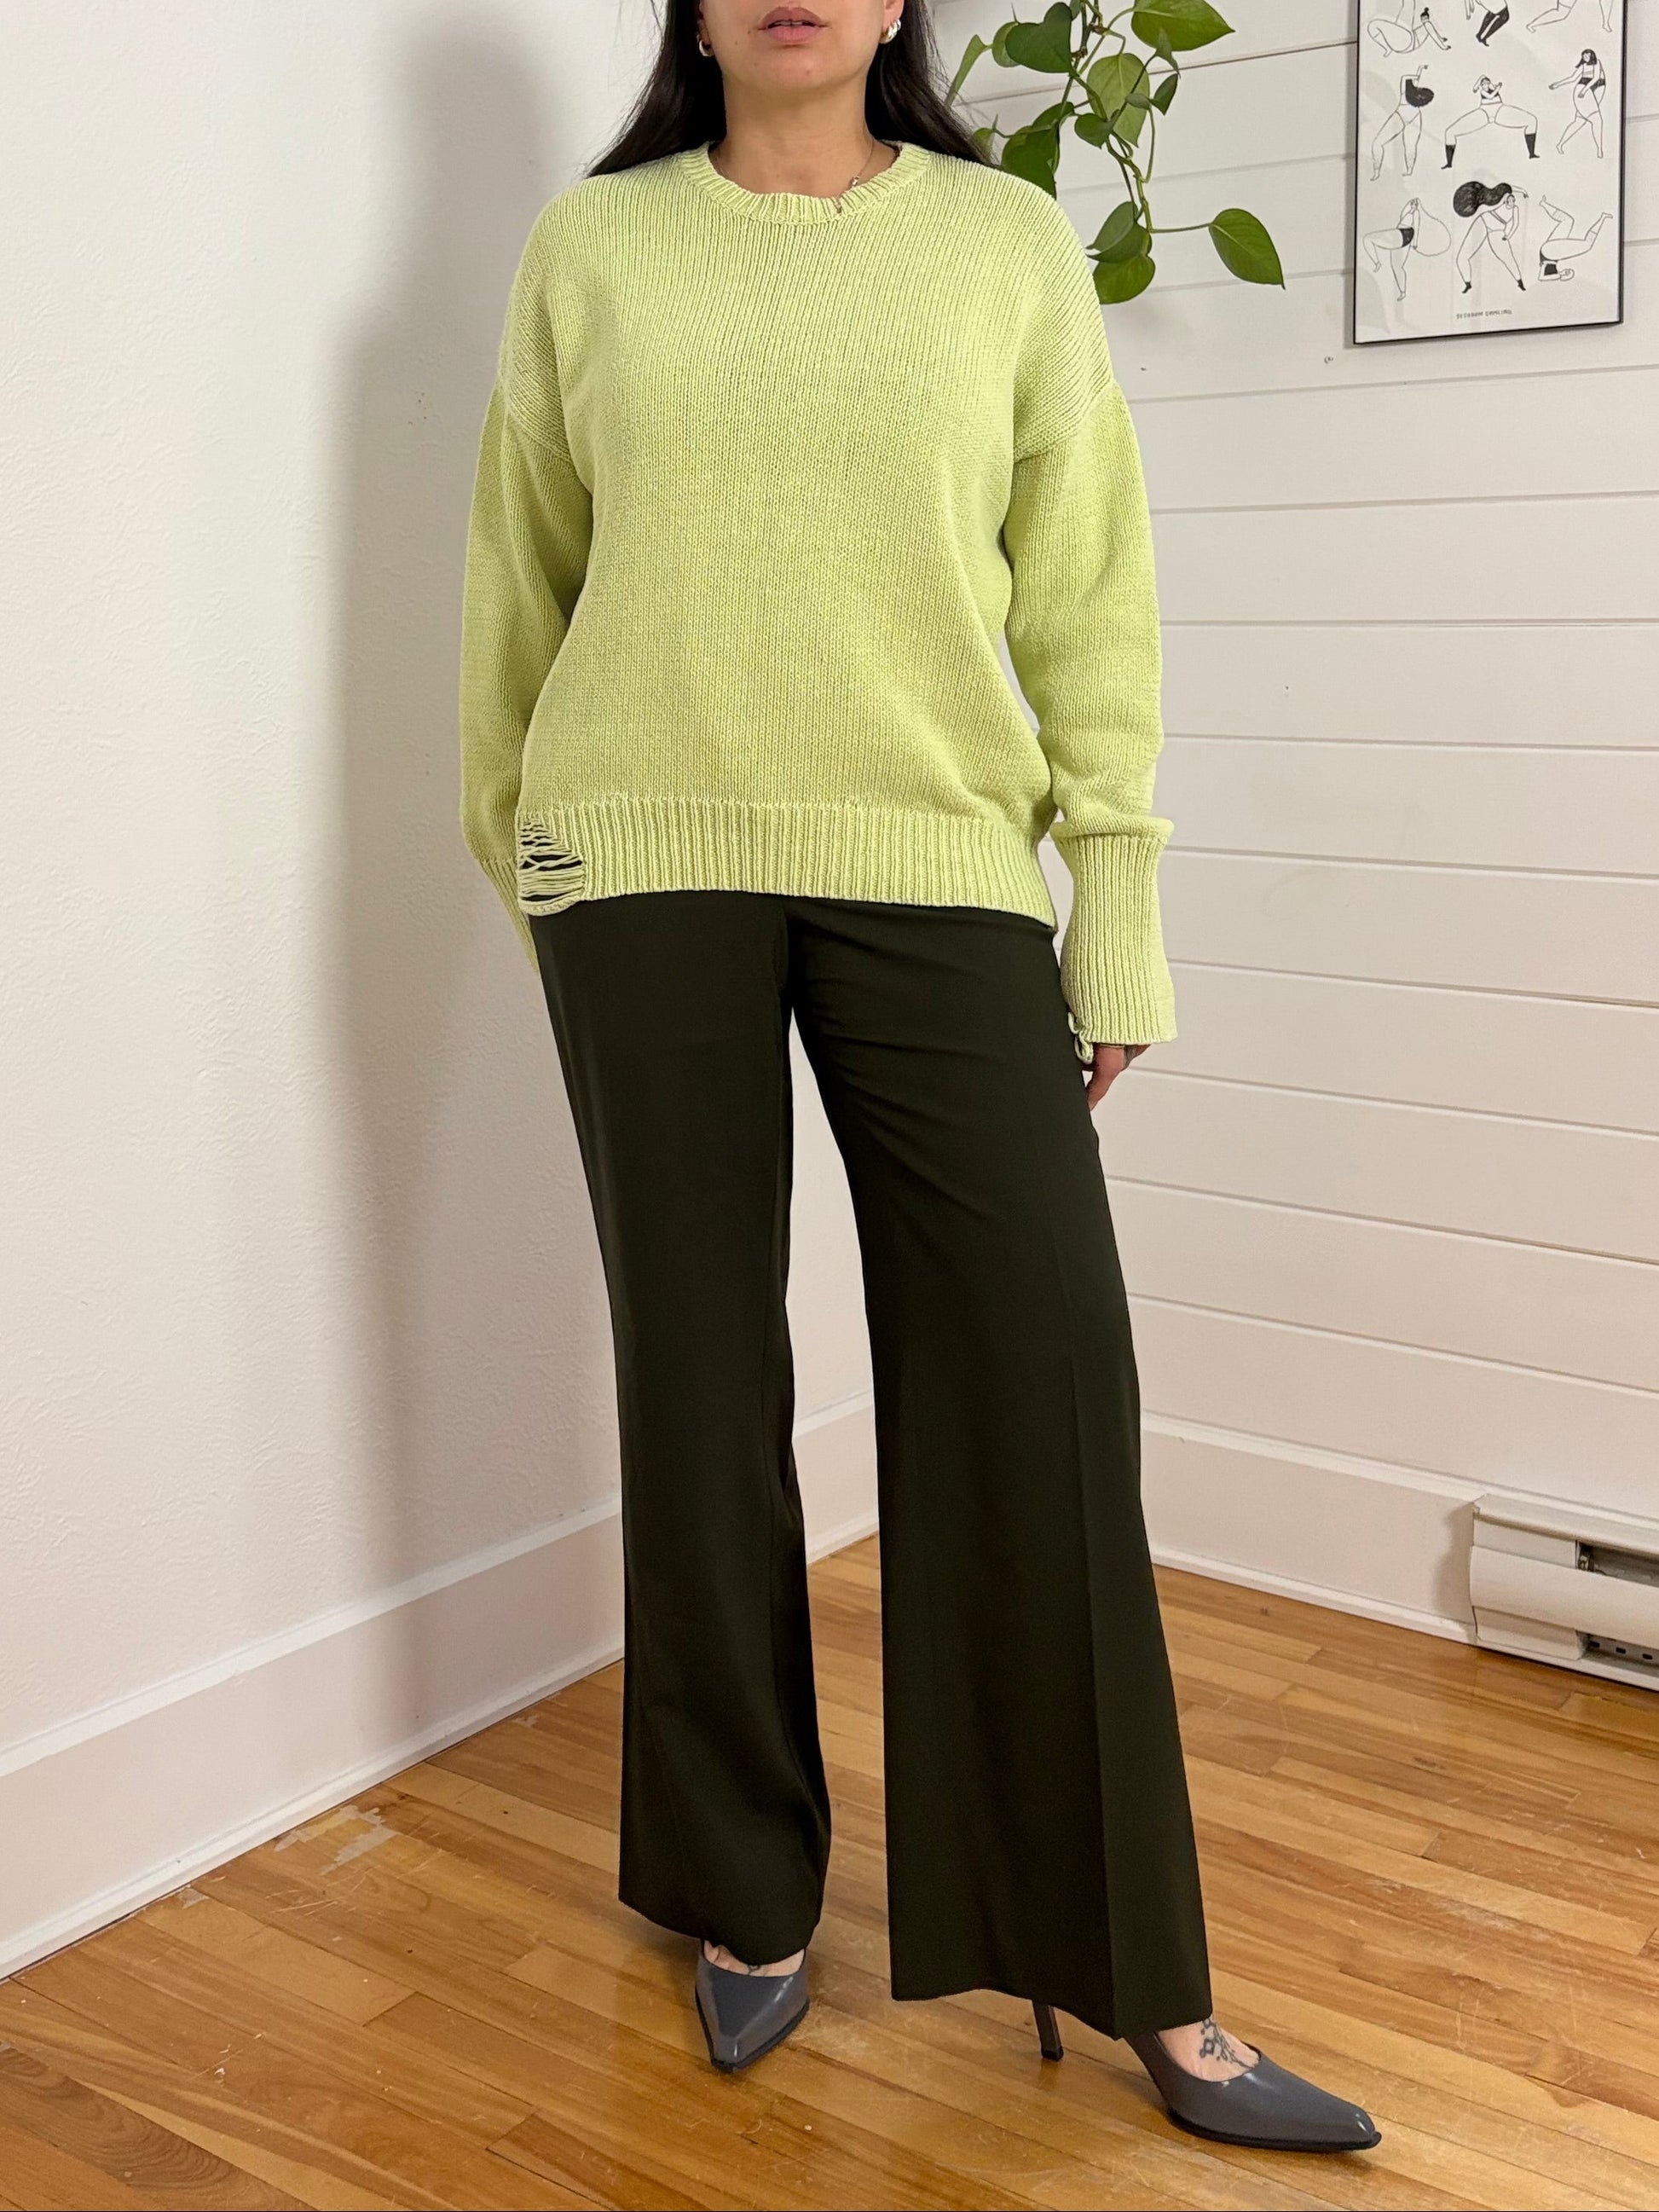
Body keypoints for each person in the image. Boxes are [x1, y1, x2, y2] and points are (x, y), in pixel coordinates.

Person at [458, 0, 1379, 2158]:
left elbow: (1089, 593)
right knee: (698, 1385)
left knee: (1041, 1381)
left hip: (938, 867)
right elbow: (518, 580)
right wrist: (531, 850)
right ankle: (742, 1883)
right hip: (641, 869)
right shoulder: (593, 249)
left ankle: (1134, 1965)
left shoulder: (1004, 245)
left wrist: (1113, 895)